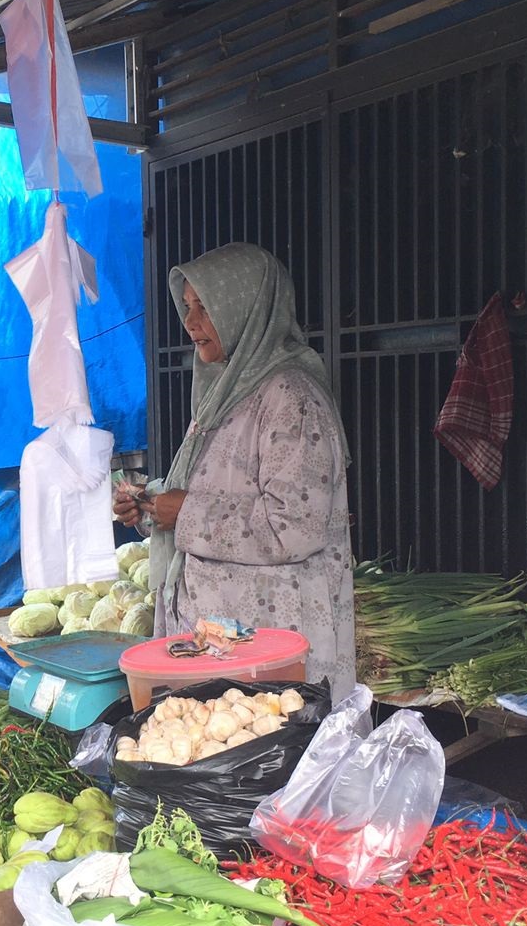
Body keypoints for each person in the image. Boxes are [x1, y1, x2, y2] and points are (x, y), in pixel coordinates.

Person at [115, 243, 357, 691]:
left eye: (205, 308)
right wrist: (152, 505)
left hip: (271, 650)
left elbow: (295, 528)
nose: (190, 324)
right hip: (224, 646)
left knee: (272, 752)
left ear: (245, 309)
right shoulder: (226, 391)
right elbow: (216, 489)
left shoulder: (292, 400)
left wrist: (183, 513)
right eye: (187, 307)